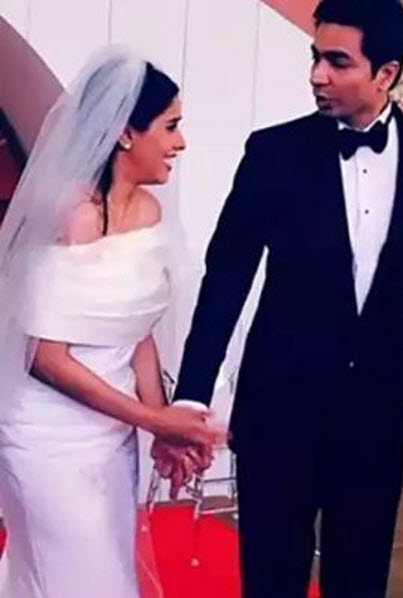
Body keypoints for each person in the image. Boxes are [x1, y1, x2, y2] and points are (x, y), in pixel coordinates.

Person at [154, 1, 403, 596]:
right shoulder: (273, 153)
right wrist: (191, 397)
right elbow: (226, 278)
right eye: (315, 57)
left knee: (361, 579)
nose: (316, 75)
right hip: (277, 410)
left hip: (375, 416)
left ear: (385, 73)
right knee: (271, 579)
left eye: (337, 61)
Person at [0, 48, 221, 598]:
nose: (180, 142)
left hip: (114, 439)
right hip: (49, 438)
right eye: (170, 126)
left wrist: (163, 424)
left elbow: (136, 332)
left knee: (108, 571)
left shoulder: (150, 214)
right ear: (126, 133)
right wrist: (153, 418)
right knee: (73, 577)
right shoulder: (70, 216)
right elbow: (45, 358)